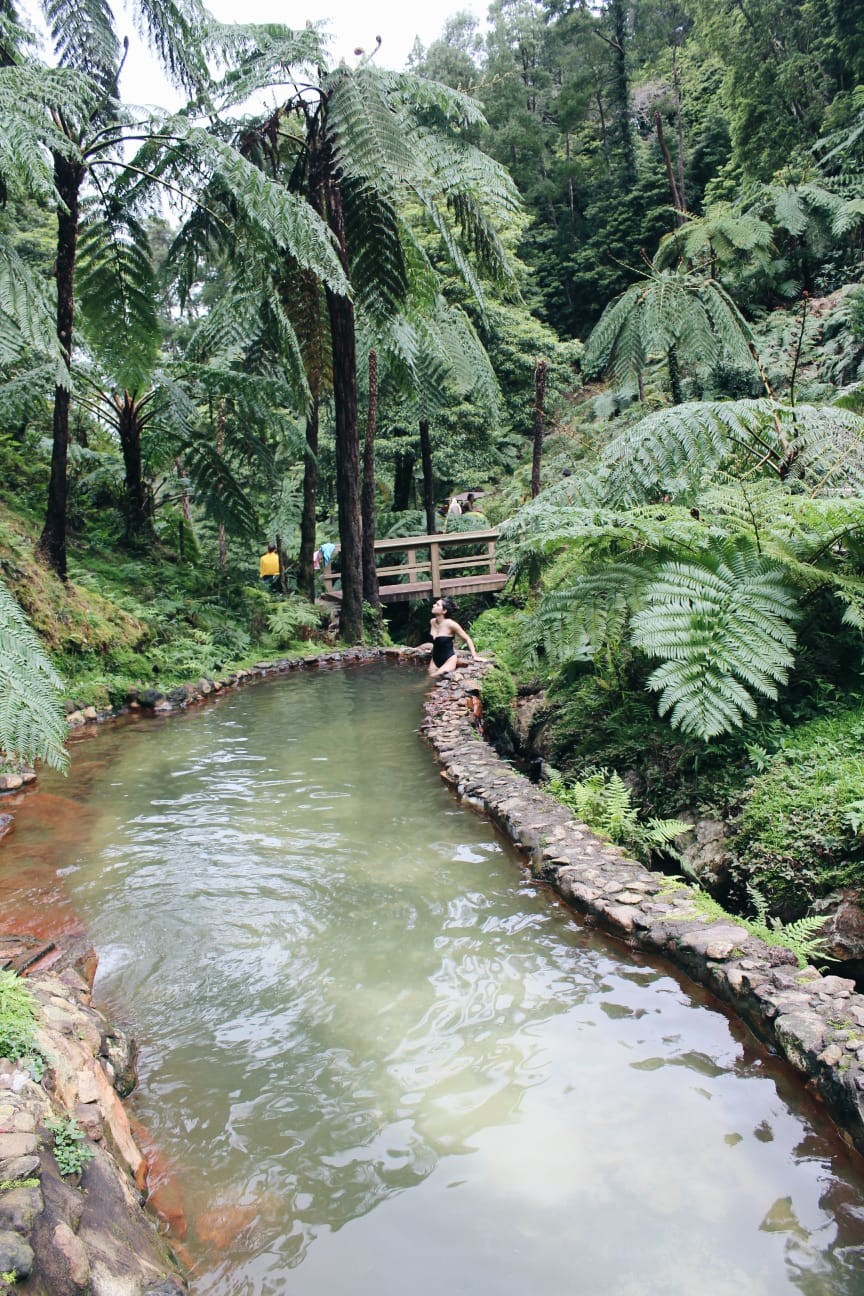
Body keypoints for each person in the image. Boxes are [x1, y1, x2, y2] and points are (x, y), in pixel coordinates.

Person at [428, 597, 480, 677]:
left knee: (434, 677)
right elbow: (436, 642)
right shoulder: (432, 622)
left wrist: (474, 656)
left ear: (444, 611)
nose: (433, 605)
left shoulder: (451, 624)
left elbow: (467, 638)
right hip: (434, 659)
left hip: (449, 659)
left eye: (437, 605)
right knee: (429, 680)